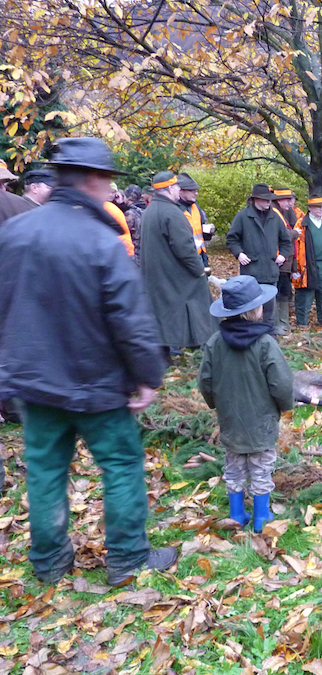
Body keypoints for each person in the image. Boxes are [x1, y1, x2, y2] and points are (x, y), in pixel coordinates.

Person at [0, 137, 176, 586]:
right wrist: (148, 376)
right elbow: (130, 320)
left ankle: (49, 563)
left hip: (34, 382)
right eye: (108, 179)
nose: (110, 189)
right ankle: (128, 558)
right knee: (119, 465)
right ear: (93, 179)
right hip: (97, 384)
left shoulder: (15, 233)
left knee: (43, 470)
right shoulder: (101, 242)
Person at [198, 276, 293, 533]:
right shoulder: (265, 345)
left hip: (230, 420)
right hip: (261, 421)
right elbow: (281, 384)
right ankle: (262, 517)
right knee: (262, 469)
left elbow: (205, 381)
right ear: (256, 310)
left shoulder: (215, 343)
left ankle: (237, 514)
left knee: (234, 467)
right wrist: (285, 405)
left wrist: (214, 403)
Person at [141, 170, 217, 361]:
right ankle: (207, 348)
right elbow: (185, 249)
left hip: (158, 275)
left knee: (162, 316)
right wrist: (200, 270)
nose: (178, 189)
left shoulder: (150, 210)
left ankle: (164, 357)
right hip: (175, 275)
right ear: (169, 188)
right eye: (176, 186)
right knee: (201, 306)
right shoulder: (172, 213)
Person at [226, 183, 292, 325]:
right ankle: (250, 335)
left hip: (270, 271)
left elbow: (286, 241)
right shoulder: (243, 216)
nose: (269, 202)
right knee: (250, 309)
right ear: (255, 199)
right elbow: (231, 239)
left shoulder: (275, 218)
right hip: (250, 272)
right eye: (265, 199)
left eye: (270, 199)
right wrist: (239, 254)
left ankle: (270, 337)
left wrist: (283, 255)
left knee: (270, 310)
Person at [293, 195, 322, 328]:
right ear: (310, 208)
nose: (320, 209)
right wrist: (297, 266)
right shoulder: (302, 224)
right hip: (307, 265)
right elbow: (295, 246)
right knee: (305, 294)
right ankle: (302, 322)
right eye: (317, 207)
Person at [271, 188, 302, 335]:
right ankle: (277, 324)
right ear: (279, 200)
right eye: (287, 200)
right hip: (278, 261)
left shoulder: (281, 213)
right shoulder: (274, 213)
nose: (291, 203)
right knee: (277, 293)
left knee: (285, 291)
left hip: (286, 261)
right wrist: (294, 234)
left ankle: (284, 322)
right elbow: (280, 234)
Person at [177, 172, 214, 271]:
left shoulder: (196, 208)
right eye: (192, 190)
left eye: (196, 190)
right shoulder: (174, 211)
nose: (196, 193)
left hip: (201, 256)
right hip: (185, 261)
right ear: (180, 191)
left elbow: (201, 235)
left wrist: (208, 232)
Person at [123, 184, 146, 265]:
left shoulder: (130, 214)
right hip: (146, 251)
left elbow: (123, 232)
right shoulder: (146, 210)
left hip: (135, 252)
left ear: (128, 197)